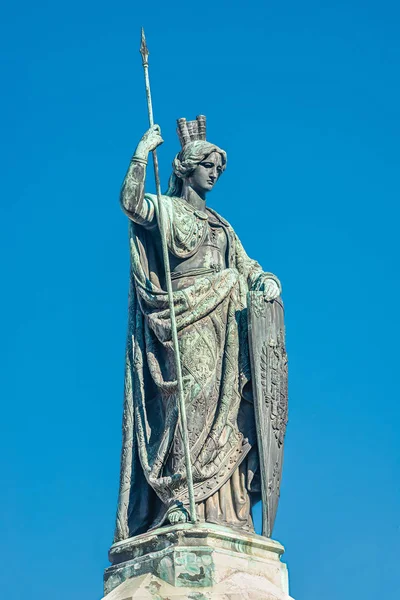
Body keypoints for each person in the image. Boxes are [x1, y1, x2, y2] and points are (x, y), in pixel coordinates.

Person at [114, 117, 282, 542]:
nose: (215, 173)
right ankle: (178, 496)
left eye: (218, 168)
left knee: (231, 407)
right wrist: (140, 153)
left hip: (225, 322)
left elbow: (245, 268)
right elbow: (131, 203)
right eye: (208, 165)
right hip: (184, 317)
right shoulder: (167, 209)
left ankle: (222, 506)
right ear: (187, 167)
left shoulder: (222, 226)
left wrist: (266, 281)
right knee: (193, 396)